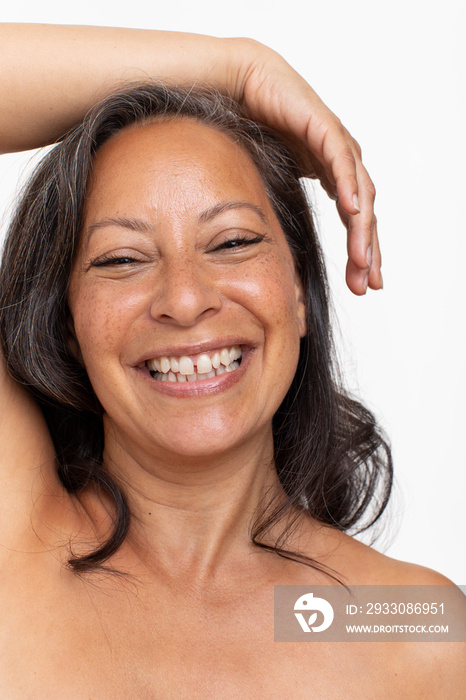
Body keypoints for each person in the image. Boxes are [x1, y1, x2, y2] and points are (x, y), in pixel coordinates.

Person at [0, 25, 462, 699]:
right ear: (65, 325)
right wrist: (238, 68)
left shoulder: (412, 625)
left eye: (233, 242)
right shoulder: (14, 546)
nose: (184, 299)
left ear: (301, 294)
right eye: (122, 258)